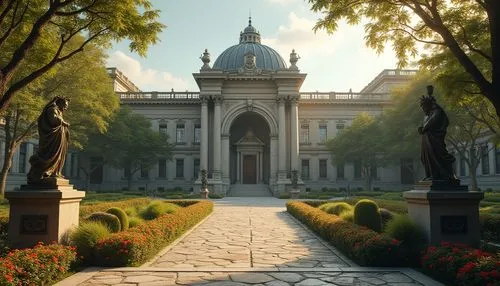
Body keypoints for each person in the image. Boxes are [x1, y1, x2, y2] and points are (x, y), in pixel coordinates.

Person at [27, 96, 70, 184]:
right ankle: (44, 172)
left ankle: (55, 172)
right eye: (65, 105)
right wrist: (64, 122)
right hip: (52, 139)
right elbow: (53, 120)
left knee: (58, 155)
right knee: (51, 154)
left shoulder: (59, 111)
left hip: (58, 138)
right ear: (60, 103)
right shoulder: (52, 109)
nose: (66, 107)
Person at [418, 86, 456, 181]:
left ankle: (439, 175)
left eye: (423, 107)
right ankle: (430, 174)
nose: (423, 109)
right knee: (425, 157)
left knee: (436, 155)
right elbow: (426, 123)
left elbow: (433, 120)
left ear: (428, 105)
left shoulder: (437, 110)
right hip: (427, 139)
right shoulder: (428, 114)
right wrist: (421, 129)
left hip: (435, 140)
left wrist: (424, 128)